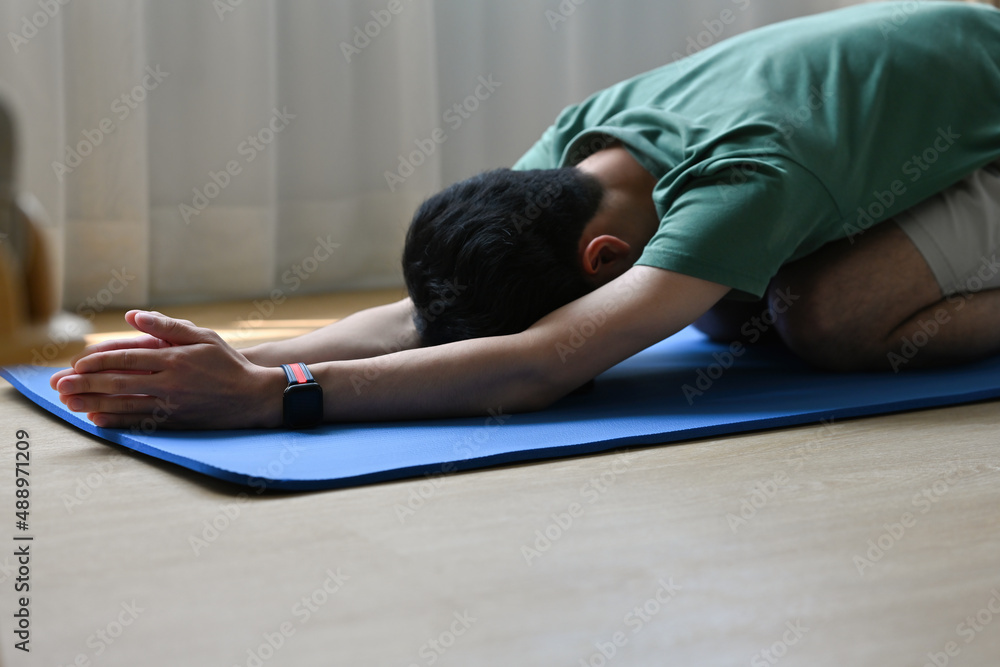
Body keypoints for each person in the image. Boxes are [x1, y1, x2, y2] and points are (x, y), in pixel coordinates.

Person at [51, 1, 1000, 429]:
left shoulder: (740, 181)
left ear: (601, 259)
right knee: (727, 301)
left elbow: (546, 361)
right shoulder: (575, 150)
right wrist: (233, 355)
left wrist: (277, 399)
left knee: (822, 317)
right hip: (936, 84)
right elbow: (435, 316)